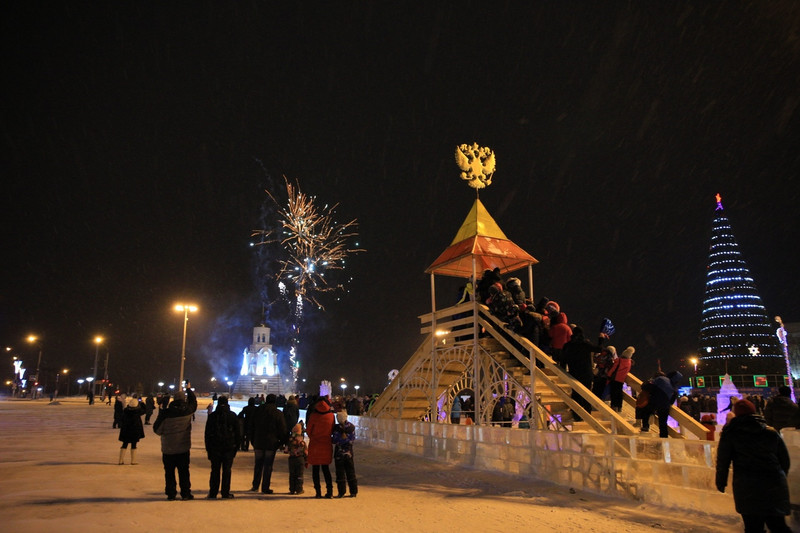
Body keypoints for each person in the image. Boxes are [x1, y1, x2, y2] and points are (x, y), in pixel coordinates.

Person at [716, 399, 792, 533]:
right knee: (778, 525)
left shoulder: (731, 434)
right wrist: (781, 476)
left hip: (746, 485)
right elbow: (784, 459)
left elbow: (723, 461)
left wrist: (721, 481)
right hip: (773, 482)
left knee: (753, 526)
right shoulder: (770, 432)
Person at [153, 387, 198, 501]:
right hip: (183, 447)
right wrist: (189, 390)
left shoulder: (166, 413)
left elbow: (157, 430)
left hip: (168, 448)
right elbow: (193, 403)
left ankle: (171, 493)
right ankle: (186, 493)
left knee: (169, 472)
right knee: (184, 471)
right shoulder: (187, 411)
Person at [560, 326, 604, 422]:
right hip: (586, 374)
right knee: (587, 395)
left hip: (574, 375)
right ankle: (587, 416)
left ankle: (577, 416)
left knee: (576, 395)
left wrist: (563, 374)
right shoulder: (585, 344)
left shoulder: (567, 346)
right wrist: (601, 339)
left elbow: (563, 361)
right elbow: (599, 349)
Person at [204, 395, 240, 499]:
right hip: (229, 447)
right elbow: (238, 433)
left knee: (215, 470)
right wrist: (235, 447)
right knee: (227, 471)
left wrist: (208, 449)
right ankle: (225, 492)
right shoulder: (232, 416)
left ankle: (213, 492)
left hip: (215, 447)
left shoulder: (212, 416)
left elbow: (207, 434)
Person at [249, 393, 287, 494]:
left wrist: (252, 439)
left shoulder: (258, 411)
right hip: (271, 442)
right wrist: (282, 442)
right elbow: (282, 429)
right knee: (268, 465)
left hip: (258, 441)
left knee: (258, 464)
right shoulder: (277, 413)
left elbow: (251, 426)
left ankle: (255, 485)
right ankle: (265, 487)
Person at [306, 395, 335, 498]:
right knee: (326, 469)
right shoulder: (331, 416)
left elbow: (308, 430)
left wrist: (314, 437)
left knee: (315, 470)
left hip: (315, 444)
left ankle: (318, 492)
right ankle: (330, 492)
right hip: (326, 444)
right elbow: (332, 429)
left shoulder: (314, 415)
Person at [639, 371, 681, 438]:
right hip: (665, 405)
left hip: (655, 401)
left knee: (646, 409)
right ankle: (664, 437)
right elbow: (673, 398)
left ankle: (645, 426)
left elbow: (646, 386)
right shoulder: (673, 385)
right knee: (663, 422)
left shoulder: (660, 379)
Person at [331, 410, 358, 498]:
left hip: (339, 453)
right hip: (349, 453)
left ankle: (341, 491)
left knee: (340, 473)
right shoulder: (351, 427)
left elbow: (334, 440)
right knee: (350, 471)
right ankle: (353, 491)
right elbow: (352, 440)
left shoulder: (336, 429)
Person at [118, 396, 145, 465]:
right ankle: (133, 460)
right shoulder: (137, 412)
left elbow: (122, 419)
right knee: (134, 445)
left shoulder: (126, 411)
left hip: (126, 430)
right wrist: (142, 403)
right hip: (135, 431)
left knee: (124, 444)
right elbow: (145, 410)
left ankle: (120, 460)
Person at [606, 346, 634, 412]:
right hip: (621, 380)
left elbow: (613, 369)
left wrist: (609, 375)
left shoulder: (619, 360)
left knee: (613, 392)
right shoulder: (629, 362)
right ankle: (619, 406)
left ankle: (613, 405)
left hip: (615, 378)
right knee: (619, 393)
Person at [286, 422, 307, 495]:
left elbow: (286, 450)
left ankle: (292, 489)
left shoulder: (290, 440)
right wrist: (306, 459)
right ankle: (299, 489)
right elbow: (305, 451)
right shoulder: (301, 441)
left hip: (291, 459)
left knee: (292, 474)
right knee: (299, 474)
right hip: (300, 459)